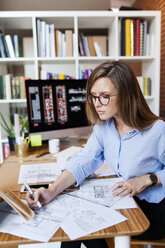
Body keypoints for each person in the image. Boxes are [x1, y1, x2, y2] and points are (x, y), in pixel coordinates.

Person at [26, 61, 165, 247]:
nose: (97, 104)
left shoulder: (157, 130)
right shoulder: (104, 127)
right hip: (125, 202)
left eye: (105, 97)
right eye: (94, 96)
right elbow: (84, 160)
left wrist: (148, 179)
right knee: (75, 224)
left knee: (86, 228)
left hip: (152, 211)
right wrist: (51, 191)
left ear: (126, 94)